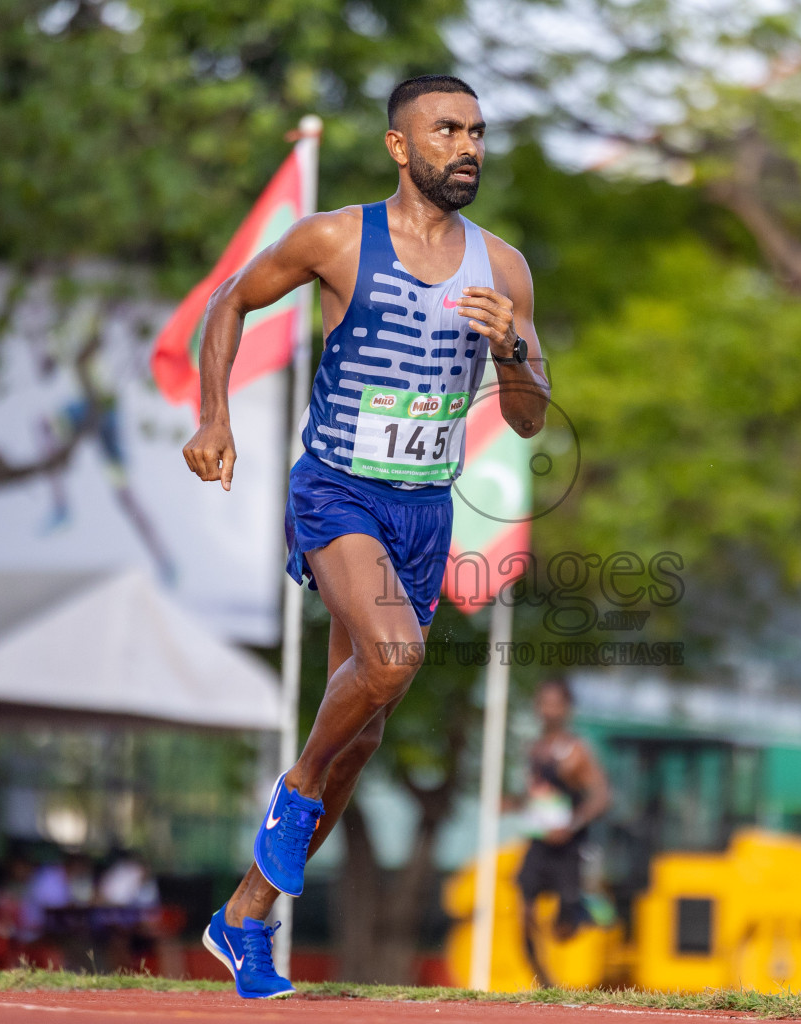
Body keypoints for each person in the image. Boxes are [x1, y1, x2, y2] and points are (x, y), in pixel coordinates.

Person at [181, 74, 550, 999]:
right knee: (392, 658)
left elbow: (534, 415)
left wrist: (510, 346)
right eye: (446, 130)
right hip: (339, 489)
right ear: (399, 145)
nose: (467, 146)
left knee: (365, 736)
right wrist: (213, 418)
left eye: (476, 131)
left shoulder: (504, 268)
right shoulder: (338, 237)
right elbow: (227, 302)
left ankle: (242, 916)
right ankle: (293, 791)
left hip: (426, 509)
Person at [514, 678, 610, 985]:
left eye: (556, 704)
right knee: (523, 905)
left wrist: (571, 826)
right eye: (544, 703)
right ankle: (543, 980)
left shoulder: (575, 752)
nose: (549, 711)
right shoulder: (533, 750)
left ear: (567, 709)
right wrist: (515, 805)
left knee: (564, 927)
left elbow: (602, 797)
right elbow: (537, 797)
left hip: (568, 847)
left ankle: (580, 913)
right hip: (539, 843)